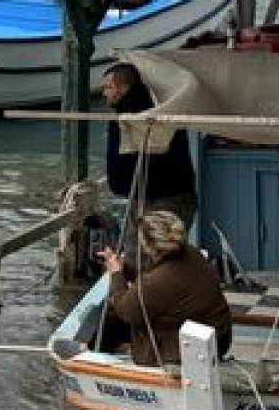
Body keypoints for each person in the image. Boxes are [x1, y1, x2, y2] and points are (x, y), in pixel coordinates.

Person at [97, 209, 232, 366]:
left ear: (151, 246)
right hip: (218, 336)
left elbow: (126, 311)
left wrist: (116, 273)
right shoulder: (189, 253)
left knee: (112, 320)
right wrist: (125, 267)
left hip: (194, 348)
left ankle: (90, 357)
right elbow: (154, 277)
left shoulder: (159, 280)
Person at [101, 63, 195, 225]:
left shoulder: (135, 116)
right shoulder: (158, 107)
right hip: (152, 196)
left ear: (123, 88)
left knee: (156, 248)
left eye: (108, 87)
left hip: (162, 197)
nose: (104, 93)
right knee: (143, 247)